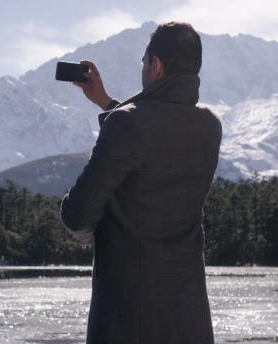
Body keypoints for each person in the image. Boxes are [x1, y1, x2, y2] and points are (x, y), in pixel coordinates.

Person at [60, 21, 222, 344]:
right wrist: (107, 102)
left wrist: (96, 234)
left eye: (144, 63)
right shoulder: (210, 127)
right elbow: (158, 135)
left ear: (156, 65)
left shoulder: (127, 124)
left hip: (127, 323)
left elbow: (77, 214)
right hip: (189, 321)